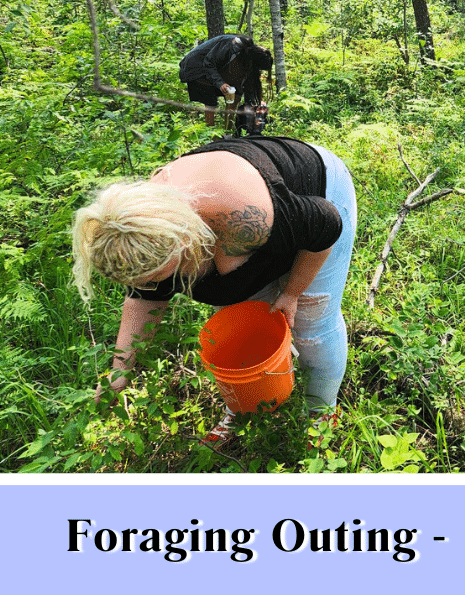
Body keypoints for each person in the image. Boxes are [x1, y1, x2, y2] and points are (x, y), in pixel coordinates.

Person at [72, 136, 357, 446]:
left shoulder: (243, 217)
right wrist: (119, 374)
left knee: (312, 324)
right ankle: (246, 407)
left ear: (183, 241)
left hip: (316, 198)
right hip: (261, 230)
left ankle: (320, 415)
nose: (153, 287)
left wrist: (292, 293)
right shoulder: (136, 236)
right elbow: (144, 298)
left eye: (159, 277)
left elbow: (325, 224)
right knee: (248, 328)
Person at [179, 34, 273, 126]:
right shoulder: (233, 46)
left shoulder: (246, 55)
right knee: (210, 100)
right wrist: (220, 84)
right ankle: (210, 132)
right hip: (195, 67)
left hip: (213, 68)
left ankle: (227, 129)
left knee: (235, 94)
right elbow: (209, 64)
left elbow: (244, 84)